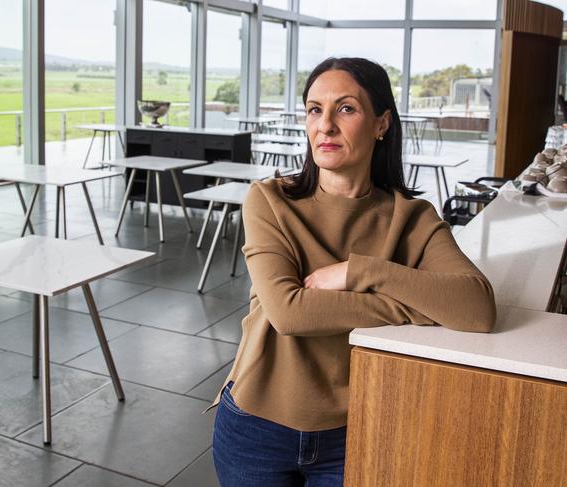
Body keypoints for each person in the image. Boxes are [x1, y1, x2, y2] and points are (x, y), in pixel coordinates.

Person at [211, 57, 496, 487]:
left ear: (382, 123)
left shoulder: (413, 218)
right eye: (314, 109)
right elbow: (291, 315)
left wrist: (362, 271)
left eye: (345, 109)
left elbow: (477, 309)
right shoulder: (269, 201)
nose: (324, 126)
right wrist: (415, 304)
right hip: (255, 426)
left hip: (356, 430)